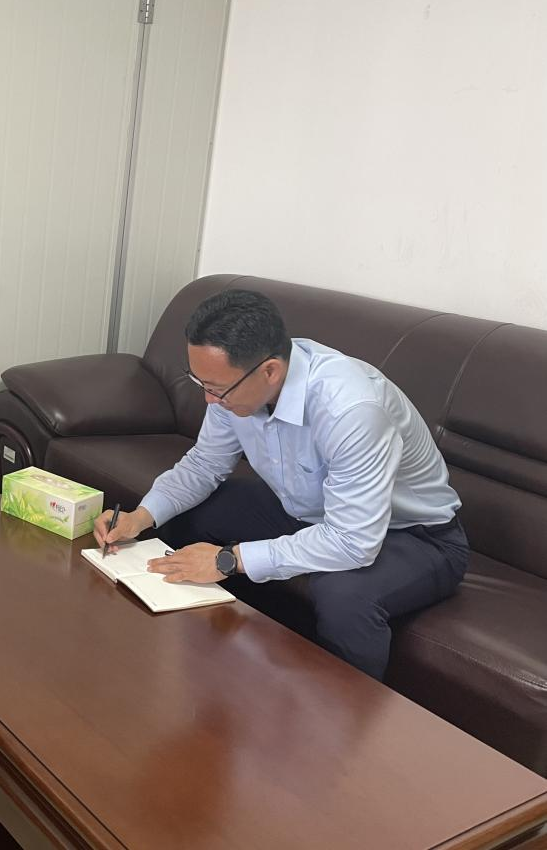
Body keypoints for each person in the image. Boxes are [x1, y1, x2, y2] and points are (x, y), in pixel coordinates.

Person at [93, 289, 469, 679]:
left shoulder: (351, 409)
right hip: (311, 511)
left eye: (217, 388)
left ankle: (344, 711)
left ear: (270, 371)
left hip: (415, 536)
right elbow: (205, 464)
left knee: (343, 596)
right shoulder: (235, 385)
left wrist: (227, 559)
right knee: (191, 513)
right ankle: (210, 648)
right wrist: (140, 516)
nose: (208, 399)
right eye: (200, 382)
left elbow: (352, 541)